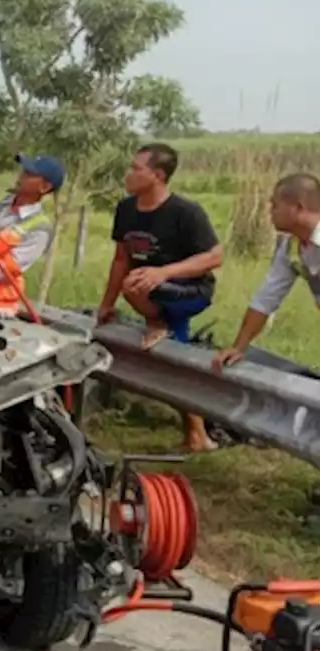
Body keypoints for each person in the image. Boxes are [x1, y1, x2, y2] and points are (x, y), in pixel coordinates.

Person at [96, 143, 222, 452]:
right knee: (173, 356)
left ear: (158, 175)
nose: (128, 174)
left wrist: (164, 272)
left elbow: (215, 257)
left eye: (136, 169)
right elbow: (120, 260)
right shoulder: (126, 210)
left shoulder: (186, 212)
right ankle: (198, 436)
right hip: (148, 290)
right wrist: (107, 304)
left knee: (142, 284)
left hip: (190, 291)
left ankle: (158, 323)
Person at [213, 173, 321, 372]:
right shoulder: (292, 247)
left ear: (298, 207)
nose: (270, 212)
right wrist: (239, 347)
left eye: (275, 205)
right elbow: (266, 299)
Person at [0, 154, 62, 314]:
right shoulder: (1, 202)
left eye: (29, 174)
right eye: (23, 171)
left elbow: (0, 273)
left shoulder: (40, 230)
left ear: (44, 187)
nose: (21, 176)